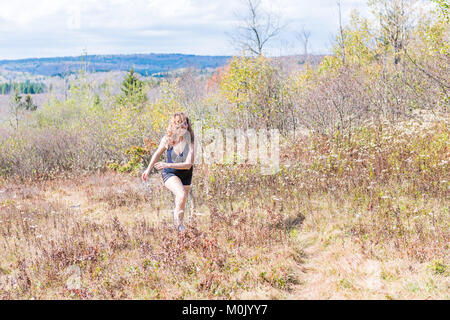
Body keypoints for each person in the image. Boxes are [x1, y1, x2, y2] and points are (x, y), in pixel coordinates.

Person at [142, 112, 195, 231]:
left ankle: (178, 227)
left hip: (186, 174)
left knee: (181, 202)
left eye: (185, 123)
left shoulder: (191, 141)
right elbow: (157, 154)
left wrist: (166, 164)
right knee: (181, 194)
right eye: (180, 124)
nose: (184, 126)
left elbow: (188, 165)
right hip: (170, 173)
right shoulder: (167, 139)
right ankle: (180, 228)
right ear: (174, 126)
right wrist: (148, 169)